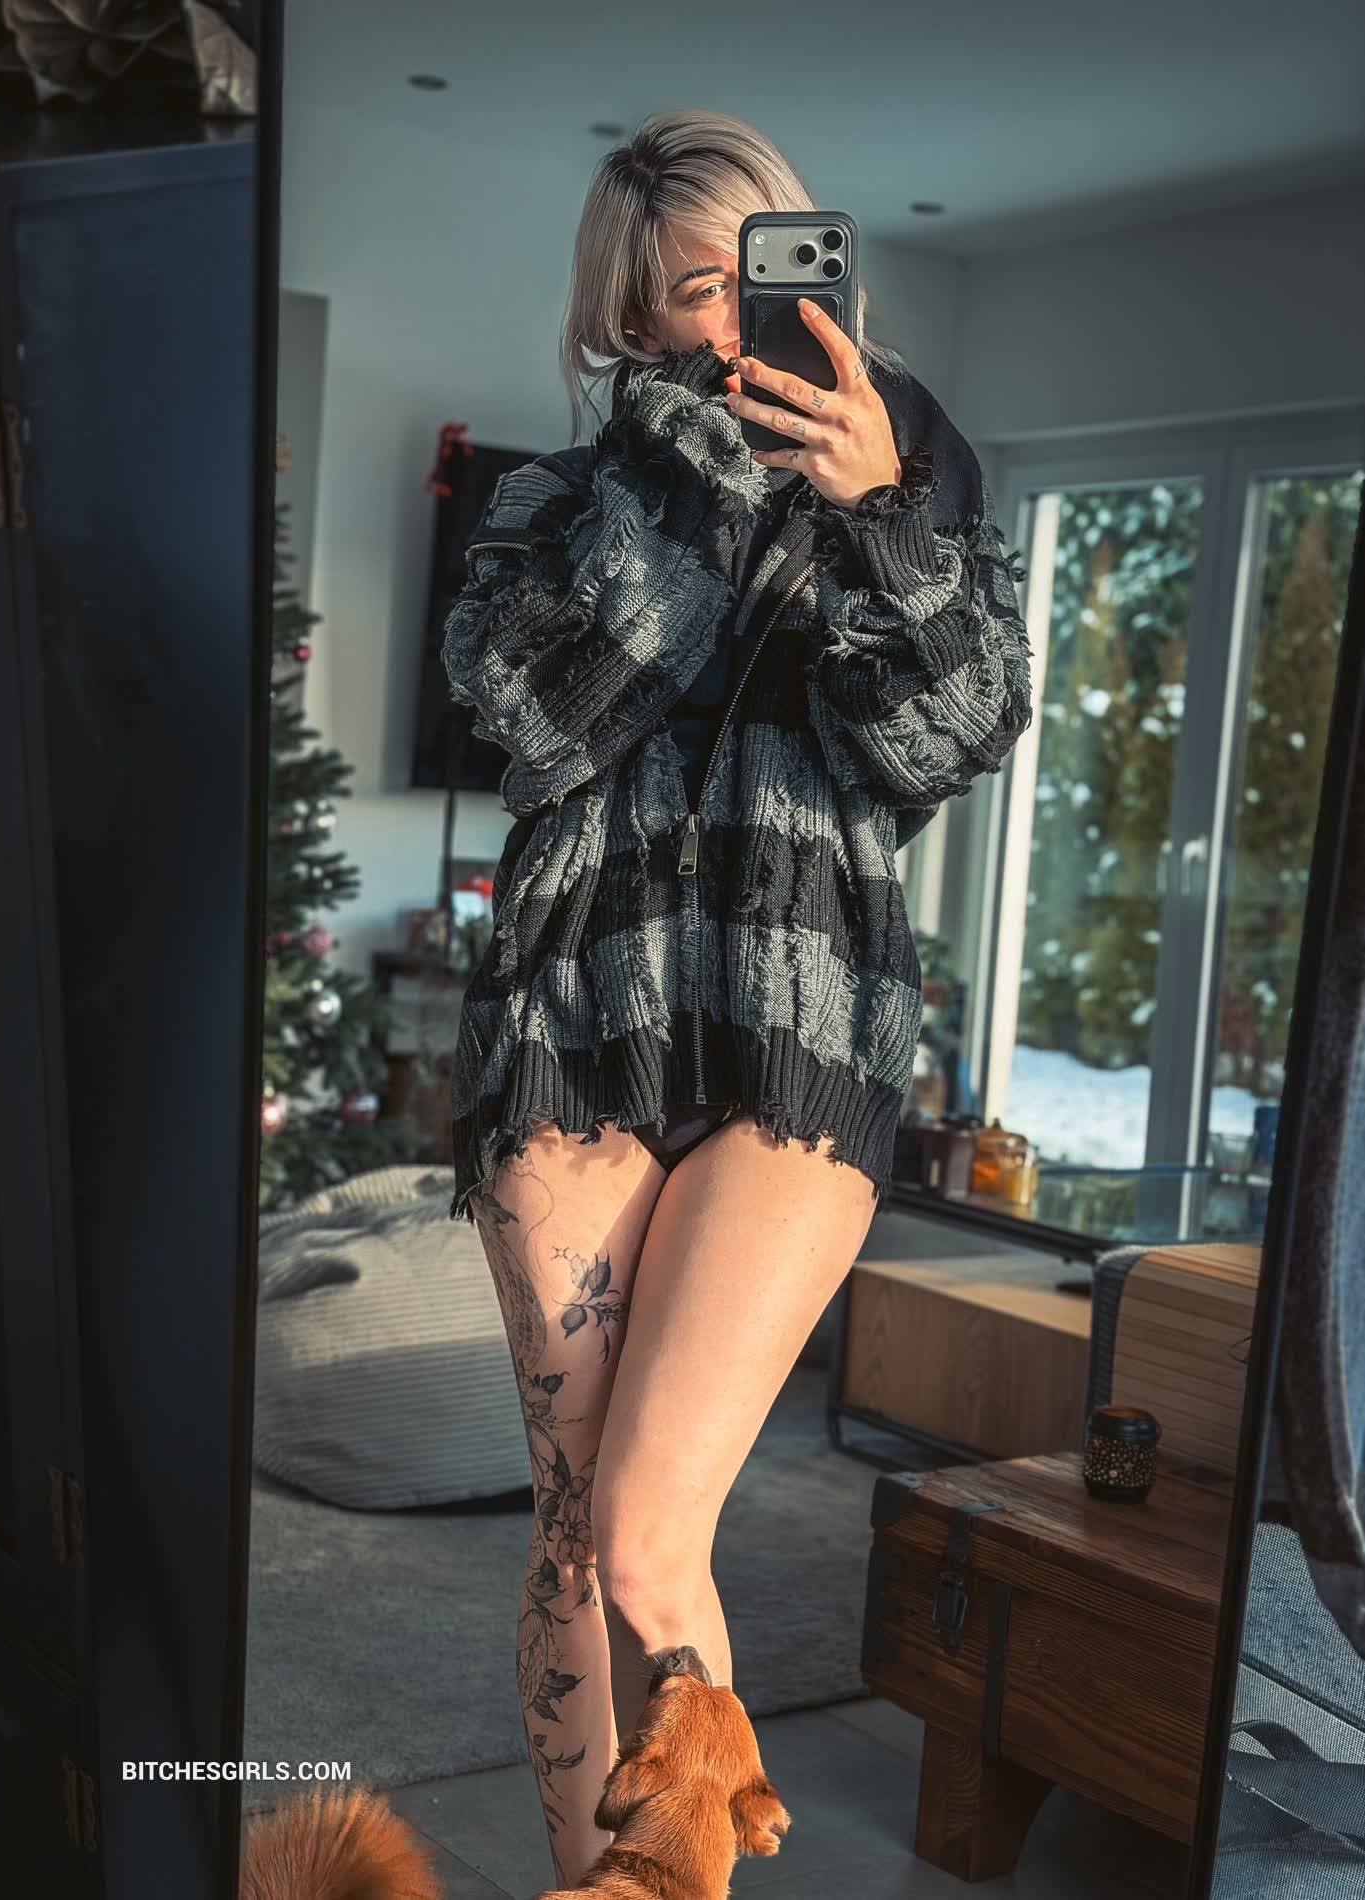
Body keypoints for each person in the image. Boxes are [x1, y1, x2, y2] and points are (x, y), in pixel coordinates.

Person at [440, 108, 1034, 1887]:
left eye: (723, 283)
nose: (694, 329)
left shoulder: (916, 483)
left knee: (647, 1523)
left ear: (795, 268)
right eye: (653, 303)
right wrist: (684, 495)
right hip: (573, 1028)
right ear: (611, 317)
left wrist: (874, 518)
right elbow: (531, 724)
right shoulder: (557, 501)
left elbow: (947, 742)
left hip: (801, 1025)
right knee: (578, 1538)